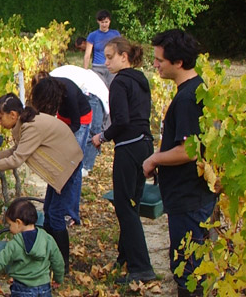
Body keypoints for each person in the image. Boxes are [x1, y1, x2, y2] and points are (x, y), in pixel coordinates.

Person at [142, 29, 218, 297]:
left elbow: (189, 151)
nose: (155, 64)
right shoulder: (197, 89)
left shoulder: (187, 99)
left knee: (189, 273)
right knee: (193, 269)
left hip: (189, 199)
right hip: (194, 197)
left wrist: (154, 158)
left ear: (179, 62)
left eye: (160, 60)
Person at [0, 90, 82, 274]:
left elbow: (17, 159)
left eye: (0, 118)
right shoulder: (25, 125)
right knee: (49, 211)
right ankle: (49, 256)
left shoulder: (31, 127)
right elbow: (16, 149)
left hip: (66, 167)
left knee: (55, 216)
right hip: (63, 166)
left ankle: (61, 266)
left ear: (13, 115)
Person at [91, 37, 156, 284]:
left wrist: (102, 137)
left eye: (109, 57)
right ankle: (125, 257)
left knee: (123, 205)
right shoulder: (140, 80)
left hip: (128, 148)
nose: (106, 62)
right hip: (145, 145)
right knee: (133, 202)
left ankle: (141, 267)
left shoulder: (119, 83)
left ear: (124, 57)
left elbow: (121, 121)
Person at [0, 198, 65, 296]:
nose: (10, 228)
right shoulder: (48, 239)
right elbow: (58, 261)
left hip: (22, 288)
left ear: (18, 223)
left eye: (10, 224)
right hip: (44, 288)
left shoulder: (15, 244)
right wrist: (58, 278)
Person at [32, 72, 91, 227]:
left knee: (73, 165)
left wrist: (57, 136)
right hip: (65, 119)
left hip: (81, 121)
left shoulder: (69, 93)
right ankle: (54, 206)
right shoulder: (50, 90)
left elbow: (76, 125)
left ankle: (71, 213)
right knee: (59, 164)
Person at [50, 65, 109, 177]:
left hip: (92, 90)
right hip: (82, 89)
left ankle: (85, 166)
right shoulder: (53, 82)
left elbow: (76, 121)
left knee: (92, 131)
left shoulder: (61, 87)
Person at [83, 9, 121, 88]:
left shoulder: (115, 34)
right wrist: (85, 71)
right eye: (102, 22)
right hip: (98, 67)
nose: (104, 25)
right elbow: (87, 54)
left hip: (112, 67)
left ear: (110, 21)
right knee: (99, 89)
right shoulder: (92, 36)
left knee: (113, 88)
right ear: (98, 22)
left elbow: (120, 51)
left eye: (106, 22)